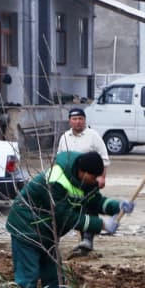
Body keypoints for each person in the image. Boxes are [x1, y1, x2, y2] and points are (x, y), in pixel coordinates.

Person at [4, 150, 134, 288]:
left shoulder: (84, 181)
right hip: (26, 228)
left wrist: (118, 206)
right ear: (82, 171)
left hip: (48, 233)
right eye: (93, 176)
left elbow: (94, 201)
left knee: (55, 278)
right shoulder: (56, 181)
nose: (95, 180)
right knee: (28, 278)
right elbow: (66, 217)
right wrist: (102, 224)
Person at [56, 107, 110, 255]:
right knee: (71, 209)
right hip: (70, 181)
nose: (78, 122)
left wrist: (102, 177)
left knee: (90, 208)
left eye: (80, 118)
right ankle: (55, 240)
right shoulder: (64, 137)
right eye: (74, 119)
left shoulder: (93, 136)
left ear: (85, 120)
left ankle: (87, 240)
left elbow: (104, 159)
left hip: (89, 180)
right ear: (69, 121)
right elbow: (59, 159)